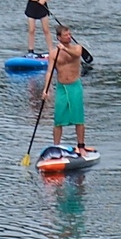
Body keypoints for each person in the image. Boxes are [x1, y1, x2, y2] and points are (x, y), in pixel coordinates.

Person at [46, 21, 91, 156]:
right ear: (59, 37)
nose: (69, 37)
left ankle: (81, 146)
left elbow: (76, 55)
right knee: (58, 119)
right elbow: (49, 71)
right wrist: (46, 89)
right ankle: (56, 147)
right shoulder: (54, 53)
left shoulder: (77, 48)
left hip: (75, 86)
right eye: (66, 35)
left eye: (70, 34)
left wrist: (65, 48)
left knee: (78, 118)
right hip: (61, 87)